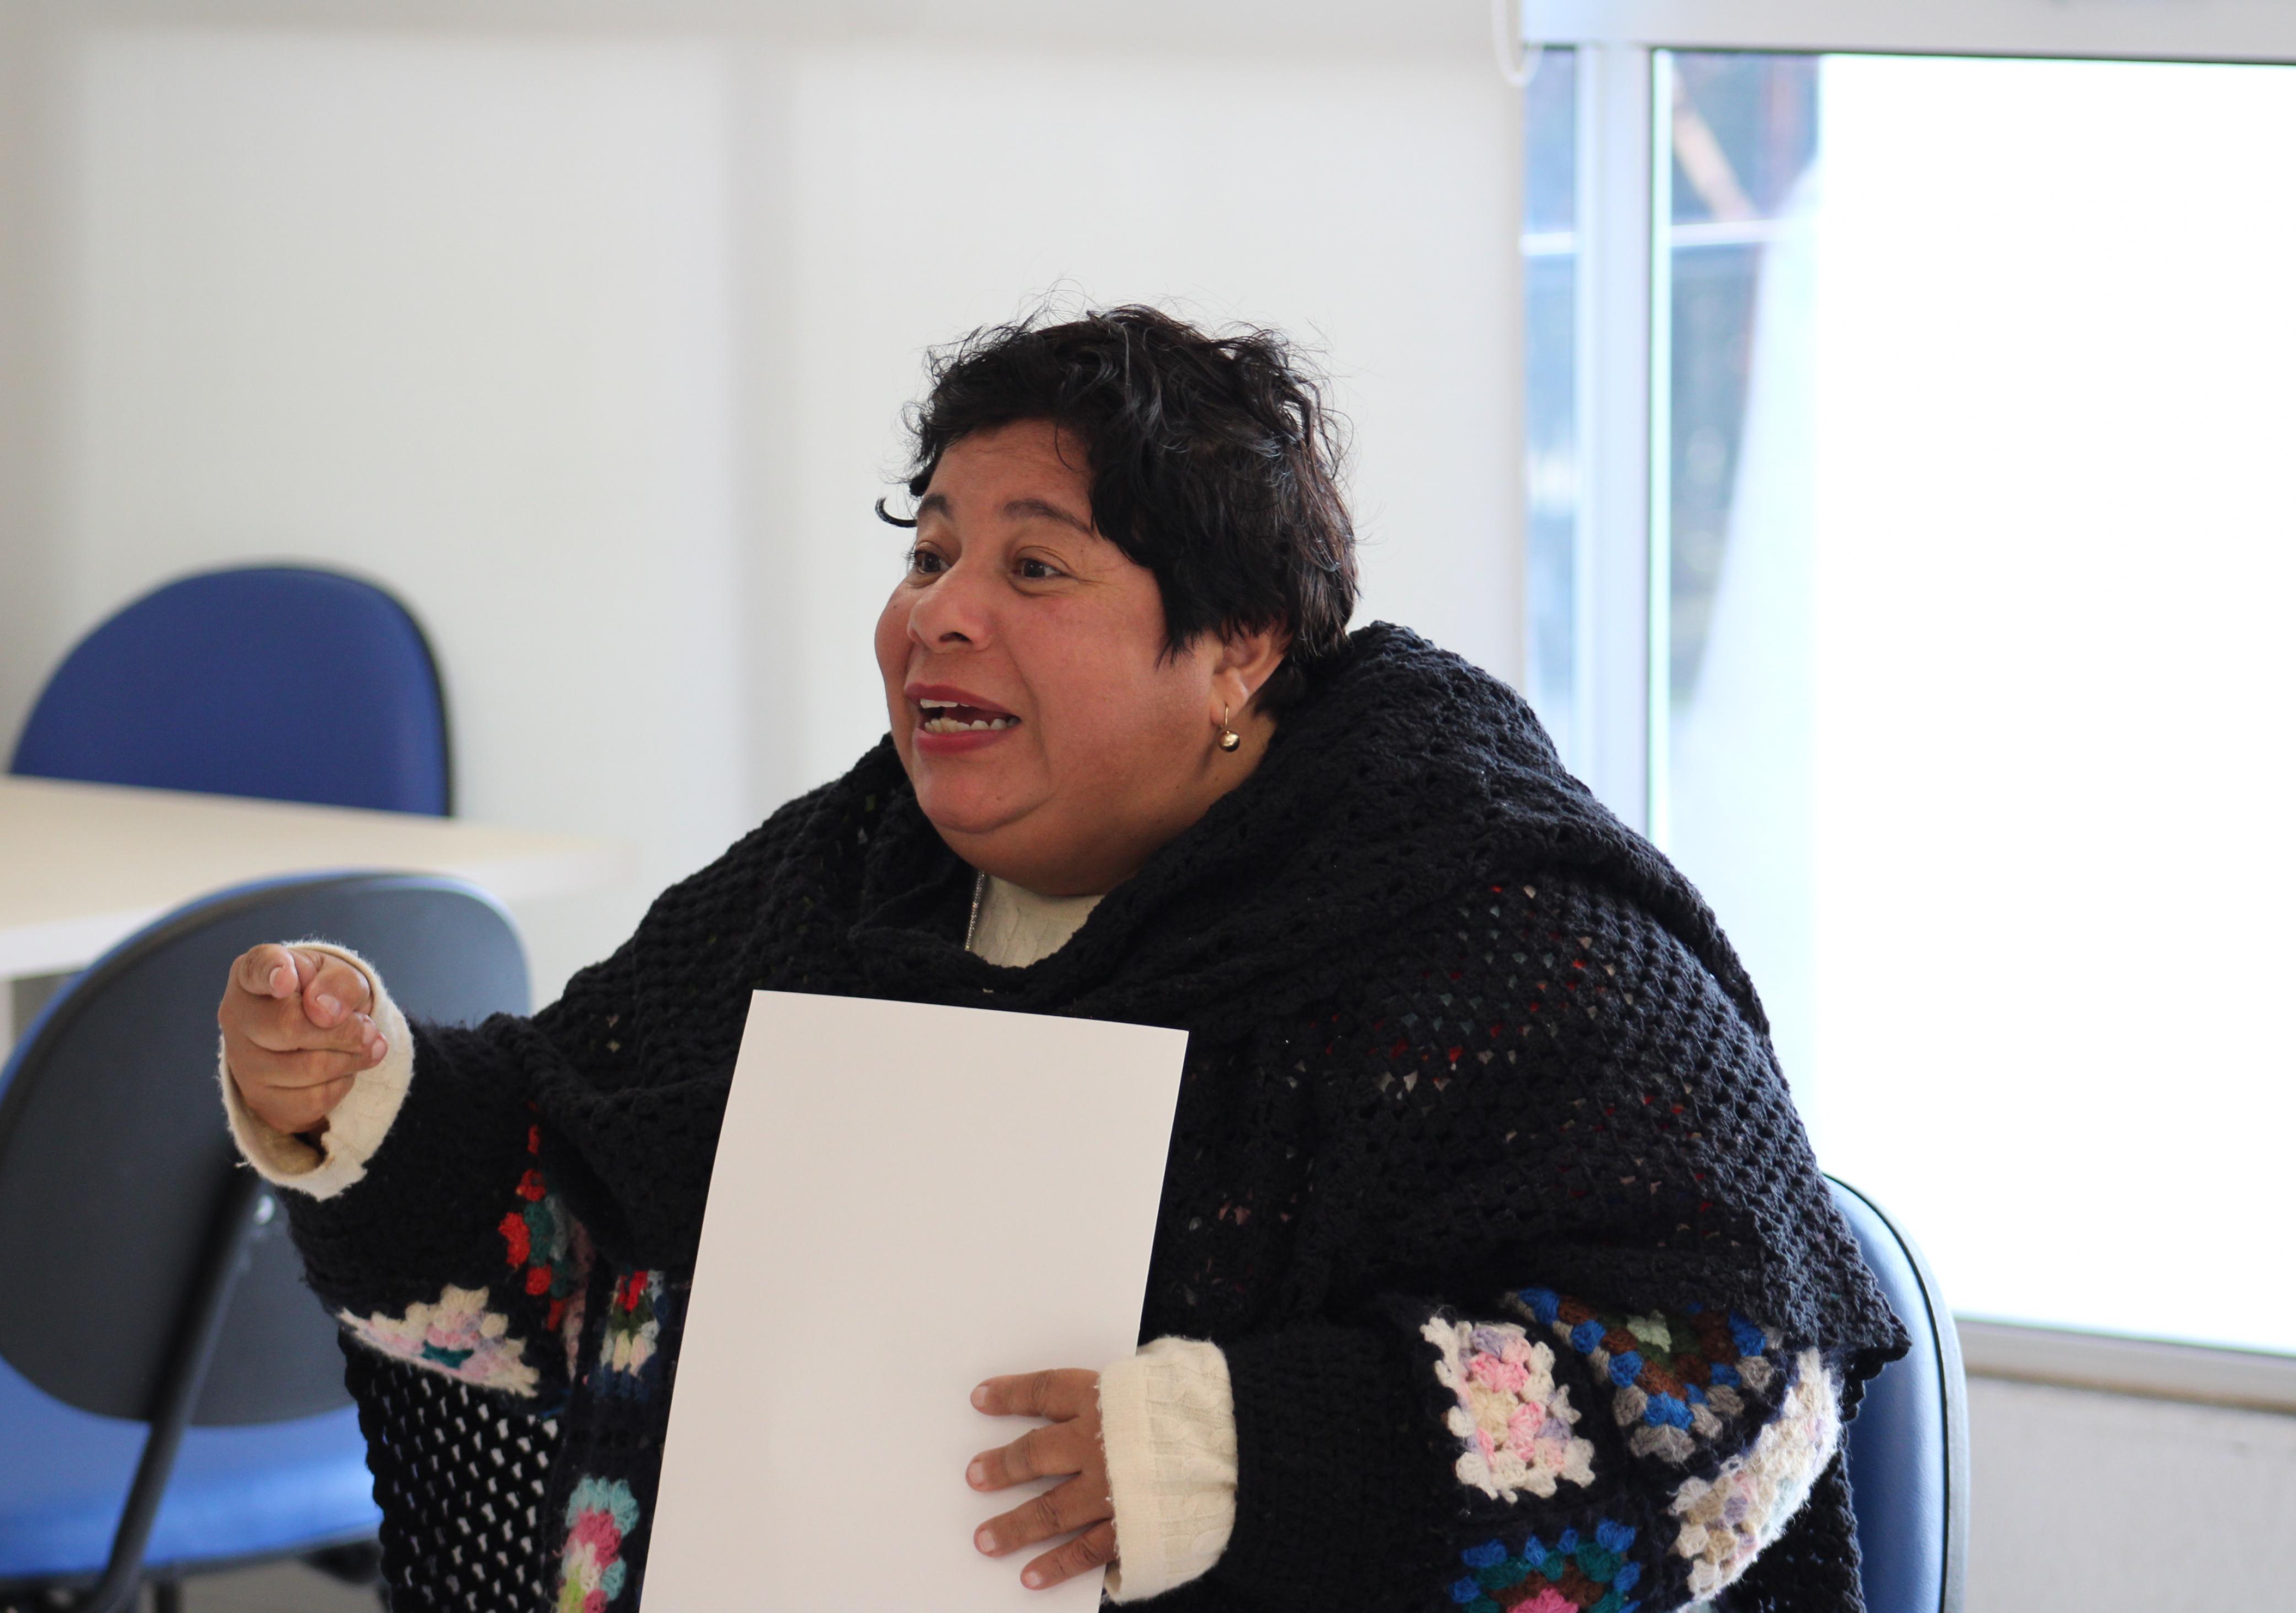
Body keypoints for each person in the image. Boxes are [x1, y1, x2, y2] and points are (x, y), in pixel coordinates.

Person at [219, 306, 1904, 1613]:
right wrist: (366, 1102)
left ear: (1238, 647)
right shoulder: (836, 884)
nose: (939, 612)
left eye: (1034, 565)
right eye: (928, 552)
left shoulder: (1492, 926)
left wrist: (1219, 1457)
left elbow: (1729, 1388)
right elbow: (580, 1252)